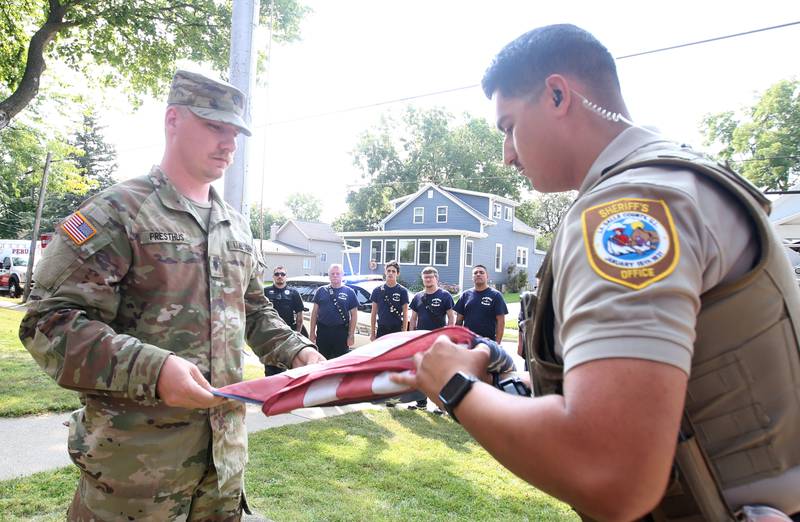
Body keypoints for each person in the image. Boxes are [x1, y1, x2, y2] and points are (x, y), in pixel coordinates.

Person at [392, 24, 800, 521]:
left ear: (559, 94)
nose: (507, 154)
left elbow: (611, 469)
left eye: (508, 126)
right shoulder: (677, 180)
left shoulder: (628, 212)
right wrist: (510, 374)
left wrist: (457, 388)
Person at [18, 70, 325, 521]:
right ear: (173, 120)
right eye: (214, 127)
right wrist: (154, 368)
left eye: (235, 132)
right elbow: (48, 322)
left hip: (222, 467)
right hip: (134, 476)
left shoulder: (234, 224)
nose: (229, 144)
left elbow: (253, 308)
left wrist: (299, 352)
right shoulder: (118, 212)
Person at [407, 266, 455, 411]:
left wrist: (448, 336)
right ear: (423, 279)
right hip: (421, 340)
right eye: (425, 277)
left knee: (438, 373)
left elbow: (451, 318)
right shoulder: (418, 297)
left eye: (431, 277)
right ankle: (421, 403)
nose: (428, 279)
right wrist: (411, 336)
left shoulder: (445, 296)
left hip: (438, 341)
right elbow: (413, 319)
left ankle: (441, 406)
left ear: (436, 278)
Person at [263, 265, 306, 375]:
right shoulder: (265, 292)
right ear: (273, 276)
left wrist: (298, 332)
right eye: (277, 274)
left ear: (286, 277)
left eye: (282, 274)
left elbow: (299, 315)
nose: (280, 276)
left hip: (288, 334)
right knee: (270, 368)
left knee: (290, 366)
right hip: (271, 335)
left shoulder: (293, 293)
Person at [309, 263, 358, 359]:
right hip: (323, 331)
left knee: (340, 361)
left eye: (337, 273)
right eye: (332, 273)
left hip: (341, 332)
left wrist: (351, 335)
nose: (335, 276)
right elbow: (314, 313)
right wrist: (311, 332)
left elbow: (354, 315)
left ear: (342, 275)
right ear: (329, 275)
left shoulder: (349, 292)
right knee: (321, 360)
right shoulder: (321, 291)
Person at [453, 265, 508, 342]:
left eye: (481, 272)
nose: (478, 274)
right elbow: (458, 321)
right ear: (472, 277)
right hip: (468, 341)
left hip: (488, 342)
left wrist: (497, 344)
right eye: (475, 273)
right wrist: (457, 340)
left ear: (487, 276)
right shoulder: (465, 295)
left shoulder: (496, 295)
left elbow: (501, 322)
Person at [369, 260, 409, 340]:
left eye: (393, 271)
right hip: (381, 328)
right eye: (389, 271)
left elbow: (405, 314)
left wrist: (404, 333)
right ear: (385, 272)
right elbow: (373, 314)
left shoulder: (402, 291)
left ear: (397, 274)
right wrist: (372, 333)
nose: (391, 273)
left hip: (396, 329)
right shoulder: (377, 290)